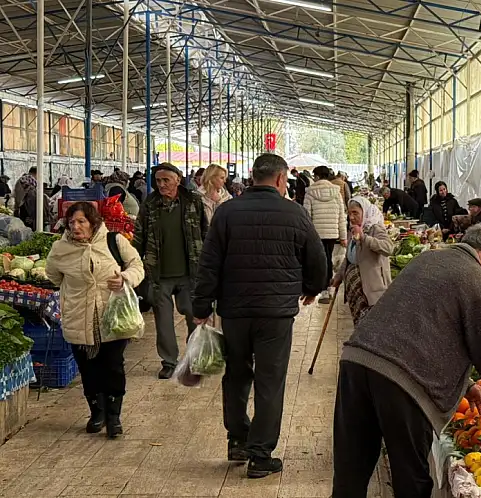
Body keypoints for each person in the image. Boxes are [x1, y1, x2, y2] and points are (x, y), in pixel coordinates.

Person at [332, 224, 481, 497]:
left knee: (351, 471)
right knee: (410, 477)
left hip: (357, 360)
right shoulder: (479, 283)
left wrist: (466, 384)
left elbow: (421, 323)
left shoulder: (429, 258)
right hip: (402, 379)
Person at [193, 153, 327, 478]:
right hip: (276, 314)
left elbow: (208, 264)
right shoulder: (294, 213)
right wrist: (313, 287)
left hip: (235, 312)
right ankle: (260, 454)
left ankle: (237, 439)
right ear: (281, 179)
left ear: (253, 177)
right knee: (270, 381)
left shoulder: (226, 212)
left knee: (236, 375)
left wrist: (201, 308)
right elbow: (318, 259)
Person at [45, 202, 145, 438]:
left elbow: (137, 265)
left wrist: (125, 279)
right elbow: (53, 275)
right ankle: (96, 412)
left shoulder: (114, 241)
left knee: (112, 365)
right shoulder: (60, 248)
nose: (76, 227)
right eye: (71, 222)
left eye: (81, 221)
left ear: (93, 222)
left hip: (113, 316)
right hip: (78, 316)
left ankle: (114, 416)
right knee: (88, 368)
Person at [133, 163, 208, 379]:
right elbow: (140, 234)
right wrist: (132, 263)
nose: (162, 184)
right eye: (158, 181)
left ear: (178, 179)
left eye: (166, 180)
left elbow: (206, 231)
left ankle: (195, 360)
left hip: (190, 272)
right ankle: (168, 362)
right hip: (159, 274)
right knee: (163, 321)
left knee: (194, 316)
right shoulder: (150, 203)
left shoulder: (193, 201)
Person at [331, 196, 393, 324]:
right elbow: (350, 257)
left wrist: (364, 237)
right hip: (357, 291)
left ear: (364, 212)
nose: (352, 217)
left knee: (371, 329)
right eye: (349, 213)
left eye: (355, 213)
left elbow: (388, 248)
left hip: (371, 290)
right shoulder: (353, 230)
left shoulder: (375, 228)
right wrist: (339, 276)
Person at [304, 165, 347, 305]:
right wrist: (343, 236)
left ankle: (320, 288)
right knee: (328, 258)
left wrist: (306, 236)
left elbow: (306, 216)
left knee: (318, 260)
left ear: (316, 176)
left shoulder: (310, 192)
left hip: (316, 234)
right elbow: (342, 216)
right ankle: (327, 288)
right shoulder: (336, 192)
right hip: (332, 232)